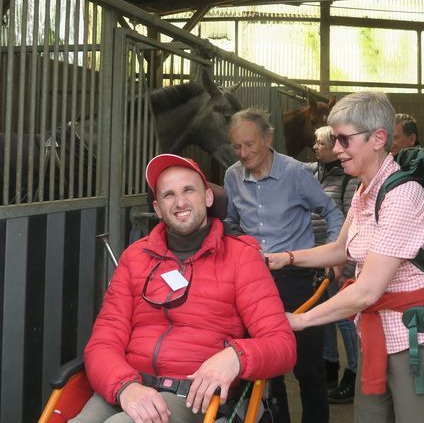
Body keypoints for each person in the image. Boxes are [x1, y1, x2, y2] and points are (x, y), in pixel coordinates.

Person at [266, 92, 424, 423]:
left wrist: (300, 320)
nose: (336, 148)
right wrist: (286, 257)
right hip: (377, 333)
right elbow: (341, 250)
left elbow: (367, 290)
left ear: (378, 138)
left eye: (343, 139)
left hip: (417, 342)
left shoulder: (402, 197)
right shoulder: (367, 190)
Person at [71, 154, 296, 423]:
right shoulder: (135, 257)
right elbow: (103, 341)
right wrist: (124, 387)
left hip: (192, 395)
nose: (180, 202)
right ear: (157, 208)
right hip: (129, 385)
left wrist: (236, 356)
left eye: (189, 190)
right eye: (168, 195)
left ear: (208, 198)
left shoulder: (241, 257)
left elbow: (282, 345)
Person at [224, 109, 344, 423]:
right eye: (237, 147)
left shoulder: (295, 173)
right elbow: (232, 225)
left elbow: (332, 214)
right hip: (255, 282)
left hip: (299, 278)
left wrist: (334, 256)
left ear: (268, 138)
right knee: (266, 369)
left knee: (309, 369)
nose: (243, 153)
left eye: (249, 145)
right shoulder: (232, 176)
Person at [311, 126, 360, 404]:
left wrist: (346, 265)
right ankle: (330, 364)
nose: (316, 147)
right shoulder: (316, 173)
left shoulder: (348, 179)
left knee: (344, 319)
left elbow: (352, 224)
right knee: (325, 313)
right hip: (321, 258)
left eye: (320, 143)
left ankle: (353, 373)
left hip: (340, 262)